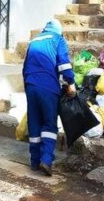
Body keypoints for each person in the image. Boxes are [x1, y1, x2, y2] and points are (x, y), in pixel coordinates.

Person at [22, 19, 75, 176]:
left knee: (34, 122)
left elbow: (25, 67)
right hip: (48, 86)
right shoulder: (58, 39)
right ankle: (46, 160)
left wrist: (28, 87)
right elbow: (64, 64)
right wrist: (70, 82)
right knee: (49, 123)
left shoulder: (34, 41)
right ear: (59, 31)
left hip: (31, 85)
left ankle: (34, 161)